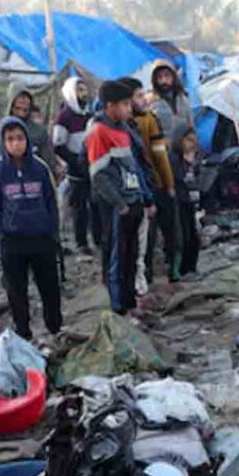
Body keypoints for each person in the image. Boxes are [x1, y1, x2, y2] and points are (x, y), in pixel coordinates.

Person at [0, 117, 62, 340]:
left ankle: (55, 328)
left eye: (20, 138)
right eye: (10, 139)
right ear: (3, 142)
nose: (16, 144)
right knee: (17, 291)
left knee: (49, 286)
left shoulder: (40, 168)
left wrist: (52, 231)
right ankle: (23, 332)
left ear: (27, 140)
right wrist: (0, 233)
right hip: (13, 240)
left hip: (41, 237)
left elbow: (51, 201)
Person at [87, 80, 156, 315]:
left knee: (132, 255)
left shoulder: (124, 130)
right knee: (117, 257)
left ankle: (130, 302)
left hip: (133, 200)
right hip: (118, 206)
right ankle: (118, 307)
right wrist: (119, 203)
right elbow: (98, 175)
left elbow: (134, 167)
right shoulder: (99, 132)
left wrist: (146, 198)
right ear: (109, 106)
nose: (129, 109)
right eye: (125, 104)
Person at [120, 77, 181, 285]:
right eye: (138, 96)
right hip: (151, 185)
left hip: (152, 184)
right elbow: (158, 157)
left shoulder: (143, 120)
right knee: (153, 235)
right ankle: (155, 276)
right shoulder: (142, 122)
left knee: (159, 233)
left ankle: (166, 272)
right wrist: (168, 183)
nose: (144, 99)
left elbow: (160, 153)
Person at [0, 84, 56, 189]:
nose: (22, 109)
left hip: (31, 184)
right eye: (18, 107)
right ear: (11, 104)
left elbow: (48, 160)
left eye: (25, 108)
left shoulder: (38, 130)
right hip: (0, 184)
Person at [53, 77, 99, 255]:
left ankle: (98, 238)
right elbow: (58, 145)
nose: (84, 94)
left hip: (92, 166)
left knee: (95, 205)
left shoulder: (89, 115)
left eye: (84, 90)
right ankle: (81, 242)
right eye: (79, 90)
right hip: (76, 170)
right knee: (79, 207)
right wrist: (76, 162)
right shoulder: (64, 117)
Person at [170, 129, 202, 276]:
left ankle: (191, 267)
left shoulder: (192, 159)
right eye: (188, 140)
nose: (191, 145)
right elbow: (179, 179)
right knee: (184, 236)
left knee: (194, 236)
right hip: (179, 201)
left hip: (191, 201)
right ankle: (182, 269)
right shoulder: (175, 159)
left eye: (193, 141)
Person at [148, 60, 194, 148]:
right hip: (164, 154)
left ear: (174, 77)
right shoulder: (150, 103)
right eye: (159, 77)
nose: (163, 80)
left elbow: (191, 126)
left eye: (167, 75)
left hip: (185, 151)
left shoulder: (183, 99)